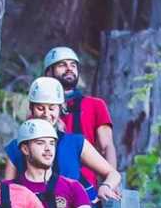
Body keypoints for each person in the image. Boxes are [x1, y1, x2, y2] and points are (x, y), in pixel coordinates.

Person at [3, 77, 121, 208]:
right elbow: (7, 193)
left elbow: (113, 174)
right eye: (40, 108)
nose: (46, 114)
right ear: (32, 108)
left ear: (60, 109)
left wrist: (106, 186)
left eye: (52, 108)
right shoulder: (16, 147)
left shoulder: (76, 143)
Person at [43, 46, 118, 185]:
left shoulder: (95, 105)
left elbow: (107, 145)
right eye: (62, 65)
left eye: (73, 65)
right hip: (47, 184)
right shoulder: (40, 110)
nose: (69, 68)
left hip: (85, 186)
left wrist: (111, 182)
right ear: (49, 72)